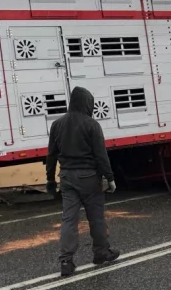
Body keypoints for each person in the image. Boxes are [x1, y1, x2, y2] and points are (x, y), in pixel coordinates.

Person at [46, 87, 120, 277]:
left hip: (67, 178)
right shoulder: (92, 125)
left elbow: (51, 155)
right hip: (89, 177)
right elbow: (100, 155)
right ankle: (101, 252)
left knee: (69, 219)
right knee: (96, 217)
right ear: (87, 103)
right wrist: (110, 178)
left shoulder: (57, 125)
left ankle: (66, 261)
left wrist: (50, 180)